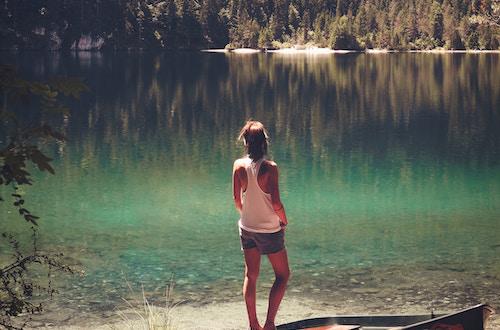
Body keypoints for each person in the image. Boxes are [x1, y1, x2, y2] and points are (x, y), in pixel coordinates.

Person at [232, 120, 290, 330]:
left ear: (246, 142)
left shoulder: (238, 166)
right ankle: (270, 324)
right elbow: (275, 203)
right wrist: (283, 220)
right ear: (264, 142)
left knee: (251, 275)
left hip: (246, 228)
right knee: (283, 275)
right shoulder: (270, 168)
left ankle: (253, 325)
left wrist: (249, 215)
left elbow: (237, 201)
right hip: (269, 231)